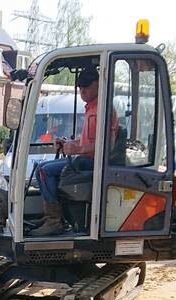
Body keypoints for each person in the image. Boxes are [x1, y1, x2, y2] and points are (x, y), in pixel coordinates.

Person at [28, 67, 116, 237]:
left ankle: (54, 221)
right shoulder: (91, 108)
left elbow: (107, 146)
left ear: (98, 84)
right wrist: (69, 143)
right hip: (86, 158)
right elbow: (88, 141)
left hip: (93, 163)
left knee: (44, 171)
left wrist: (78, 148)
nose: (82, 91)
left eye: (86, 86)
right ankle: (53, 218)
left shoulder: (103, 110)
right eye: (80, 87)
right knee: (41, 168)